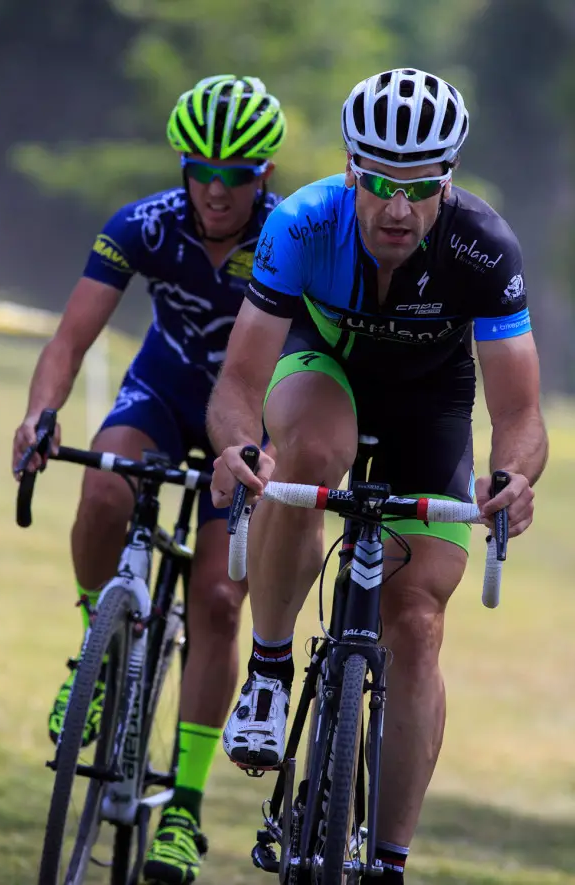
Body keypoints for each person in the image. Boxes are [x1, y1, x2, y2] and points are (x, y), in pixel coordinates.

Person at [207, 68, 548, 882]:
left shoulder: (483, 246)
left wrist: (513, 475)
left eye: (421, 185)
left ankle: (389, 860)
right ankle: (270, 667)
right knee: (314, 455)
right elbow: (239, 385)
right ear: (352, 171)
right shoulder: (301, 223)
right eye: (381, 183)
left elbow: (522, 414)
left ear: (448, 178)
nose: (399, 208)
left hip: (432, 402)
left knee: (418, 621)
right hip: (325, 370)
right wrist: (235, 446)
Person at [12, 74, 286, 885]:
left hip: (250, 417)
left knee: (220, 599)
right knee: (102, 486)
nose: (216, 188)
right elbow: (68, 340)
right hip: (163, 392)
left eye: (237, 174)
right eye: (201, 168)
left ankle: (187, 811)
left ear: (262, 176)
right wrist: (40, 415)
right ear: (183, 167)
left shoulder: (290, 238)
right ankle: (93, 651)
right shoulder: (143, 225)